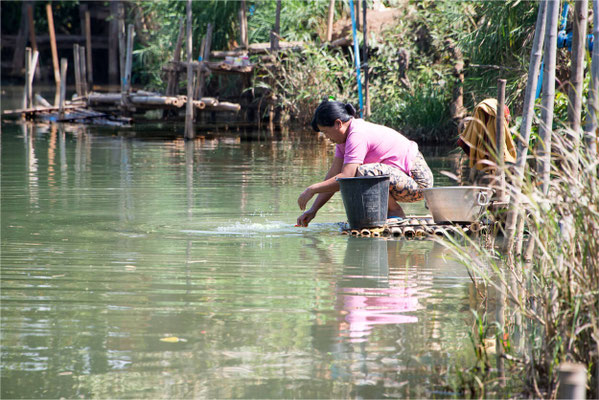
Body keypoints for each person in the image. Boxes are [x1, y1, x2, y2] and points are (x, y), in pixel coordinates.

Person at [297, 100, 434, 227]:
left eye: (326, 132)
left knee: (363, 172)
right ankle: (388, 211)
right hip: (401, 181)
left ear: (338, 123)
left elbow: (347, 177)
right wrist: (313, 210)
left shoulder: (357, 134)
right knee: (357, 174)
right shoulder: (343, 140)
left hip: (419, 185)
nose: (327, 137)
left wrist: (312, 189)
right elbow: (334, 176)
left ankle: (395, 211)